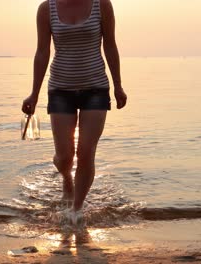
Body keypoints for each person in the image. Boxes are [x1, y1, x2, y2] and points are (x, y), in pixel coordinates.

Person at [21, 0, 127, 221]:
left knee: (86, 153)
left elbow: (110, 45)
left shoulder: (102, 4)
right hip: (60, 90)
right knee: (64, 156)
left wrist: (118, 85)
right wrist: (34, 93)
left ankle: (76, 211)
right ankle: (67, 180)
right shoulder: (46, 9)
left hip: (96, 88)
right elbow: (42, 52)